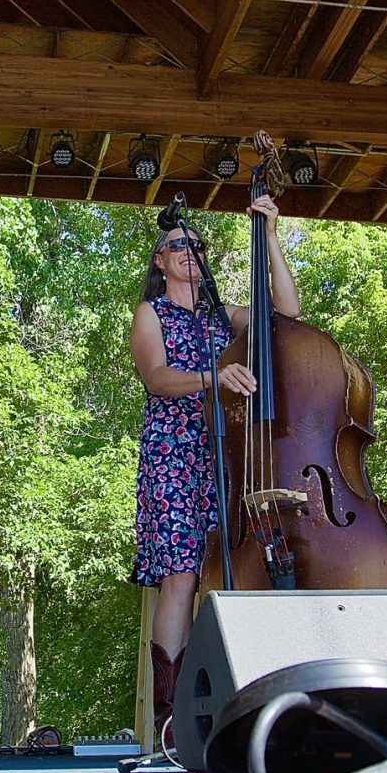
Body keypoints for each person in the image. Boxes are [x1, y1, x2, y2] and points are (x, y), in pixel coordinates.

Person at [131, 195, 297, 736]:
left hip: (228, 454)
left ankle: (237, 701)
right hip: (174, 453)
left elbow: (287, 314)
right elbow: (156, 377)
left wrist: (269, 235)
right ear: (160, 261)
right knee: (180, 576)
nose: (188, 251)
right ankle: (168, 720)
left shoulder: (222, 316)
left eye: (195, 245)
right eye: (177, 246)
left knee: (231, 570)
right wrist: (213, 377)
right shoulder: (149, 313)